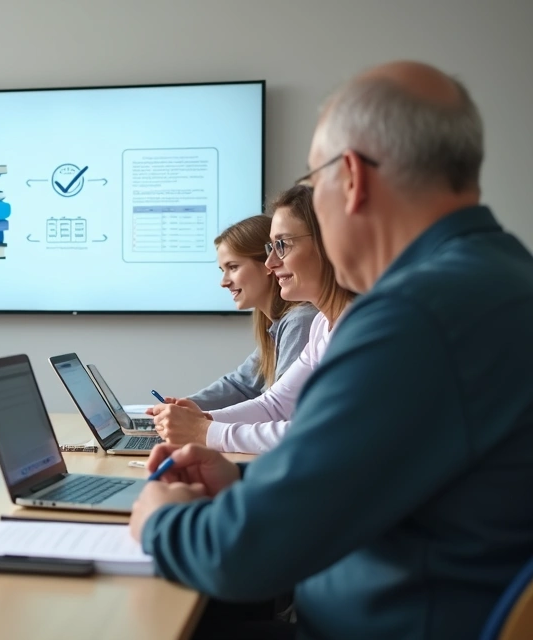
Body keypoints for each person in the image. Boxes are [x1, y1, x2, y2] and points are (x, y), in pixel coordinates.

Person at [132, 61, 533, 640]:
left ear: (351, 178)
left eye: (313, 184)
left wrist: (158, 519)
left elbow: (241, 555)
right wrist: (242, 487)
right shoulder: (501, 278)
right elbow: (374, 478)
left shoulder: (411, 319)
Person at [151, 185, 354, 453]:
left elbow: (314, 429)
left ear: (328, 243)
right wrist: (203, 420)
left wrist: (204, 430)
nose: (271, 262)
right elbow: (275, 404)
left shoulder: (357, 327)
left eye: (282, 245)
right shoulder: (321, 326)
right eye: (272, 247)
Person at [186, 214, 317, 410]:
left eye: (233, 267)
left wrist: (204, 427)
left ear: (268, 263)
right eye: (223, 269)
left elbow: (281, 408)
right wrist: (184, 405)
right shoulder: (276, 325)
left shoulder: (300, 321)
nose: (224, 282)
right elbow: (241, 385)